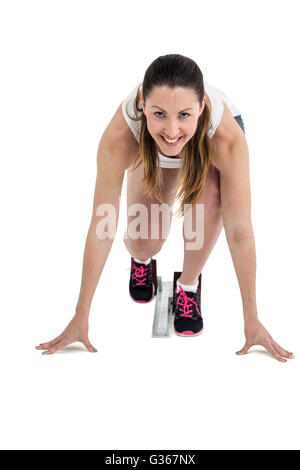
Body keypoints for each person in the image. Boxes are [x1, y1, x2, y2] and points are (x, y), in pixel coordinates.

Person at [36, 54, 293, 362]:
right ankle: (142, 260)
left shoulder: (226, 139)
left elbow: (239, 231)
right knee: (144, 239)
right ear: (143, 104)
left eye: (184, 114)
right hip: (146, 146)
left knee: (202, 215)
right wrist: (81, 314)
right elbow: (102, 226)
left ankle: (188, 285)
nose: (172, 130)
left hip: (204, 147)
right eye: (160, 113)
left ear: (201, 108)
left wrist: (251, 319)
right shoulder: (121, 137)